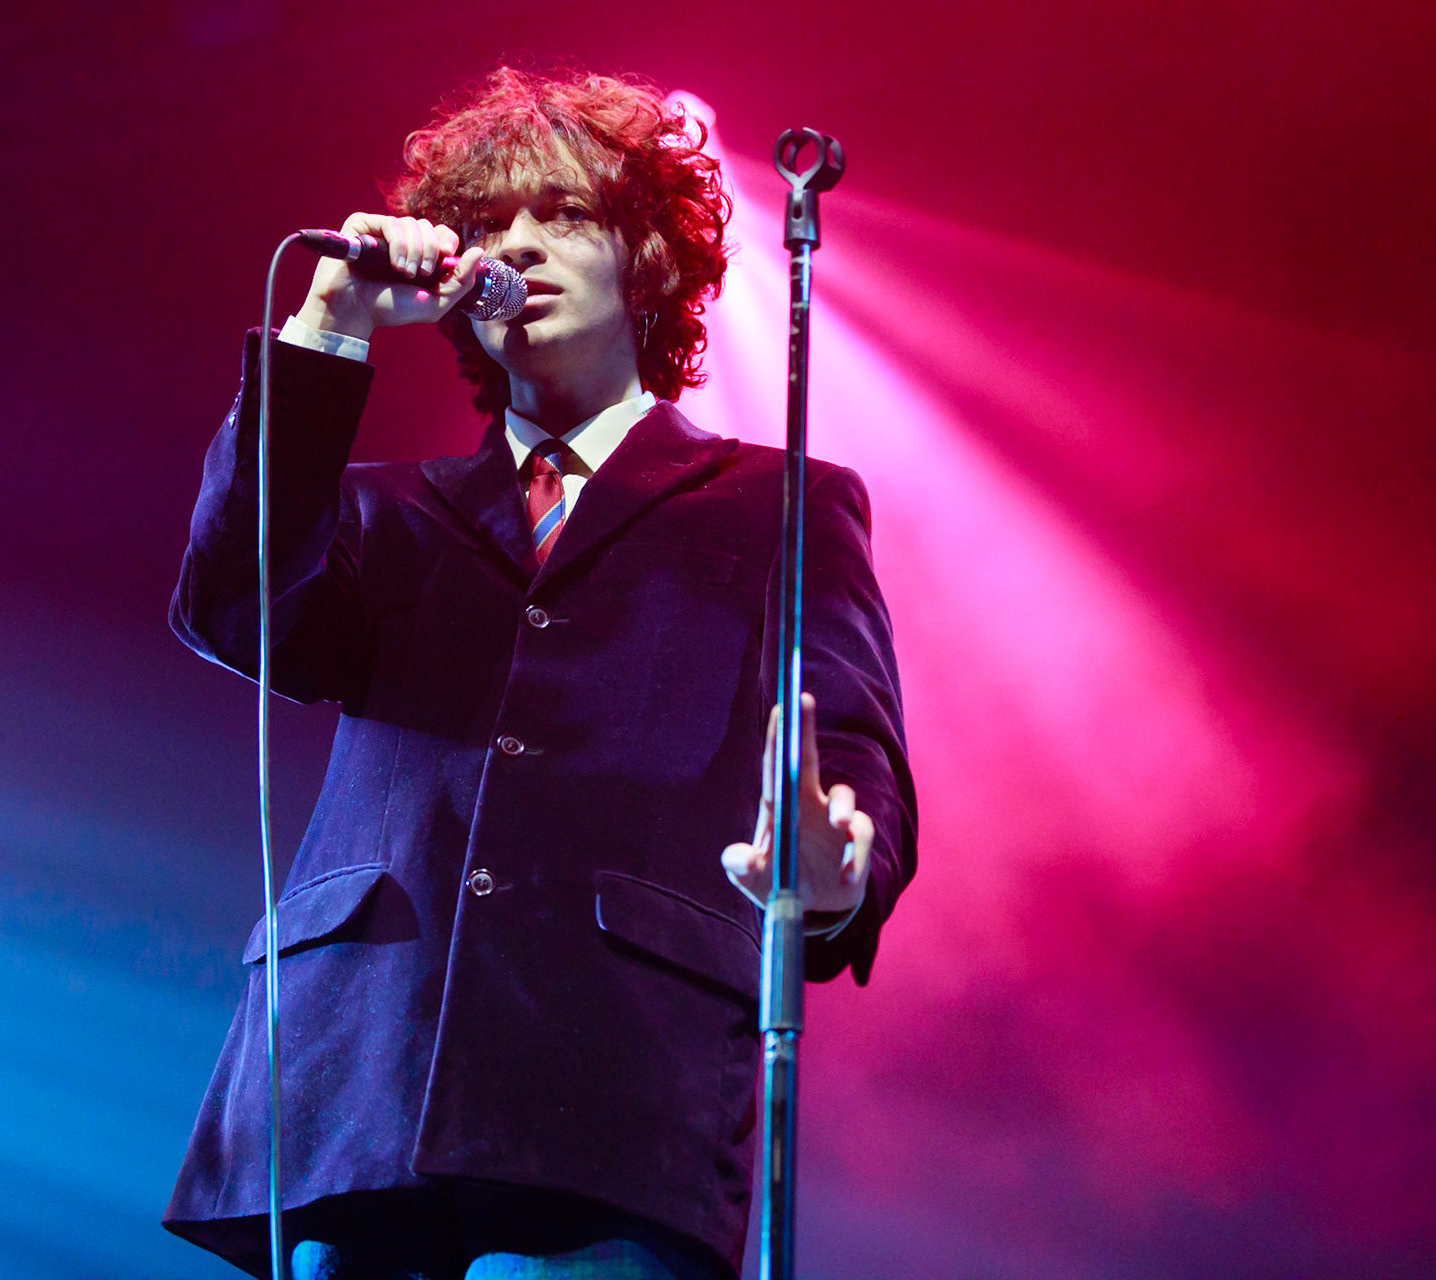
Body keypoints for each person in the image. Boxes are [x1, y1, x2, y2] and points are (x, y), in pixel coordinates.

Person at [164, 67, 915, 1280]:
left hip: (611, 1112)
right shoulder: (385, 513)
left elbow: (860, 747)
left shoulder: (783, 504)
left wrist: (835, 866)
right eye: (489, 227)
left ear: (654, 263)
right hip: (360, 1098)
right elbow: (232, 606)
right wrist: (332, 325)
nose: (519, 244)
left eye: (562, 216)